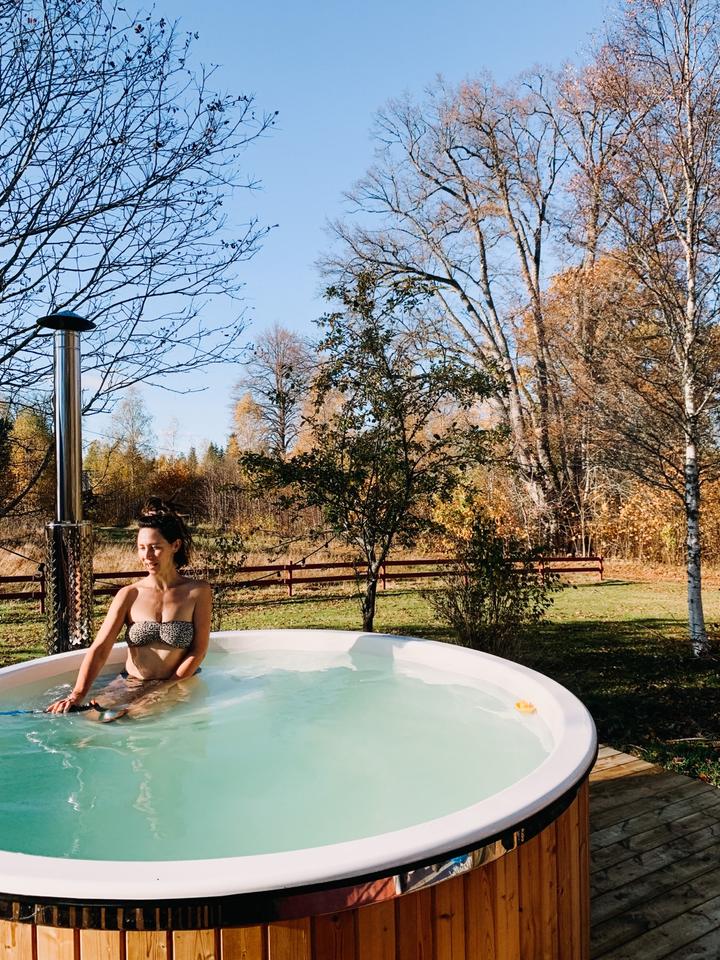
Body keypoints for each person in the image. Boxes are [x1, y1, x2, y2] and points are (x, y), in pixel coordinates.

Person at [46, 498, 212, 716]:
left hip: (177, 682)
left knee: (136, 717)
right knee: (91, 721)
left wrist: (163, 689)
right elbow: (100, 649)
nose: (147, 556)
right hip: (131, 682)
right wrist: (76, 695)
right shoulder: (129, 595)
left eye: (155, 548)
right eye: (141, 548)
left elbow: (198, 651)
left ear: (175, 545)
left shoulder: (197, 591)